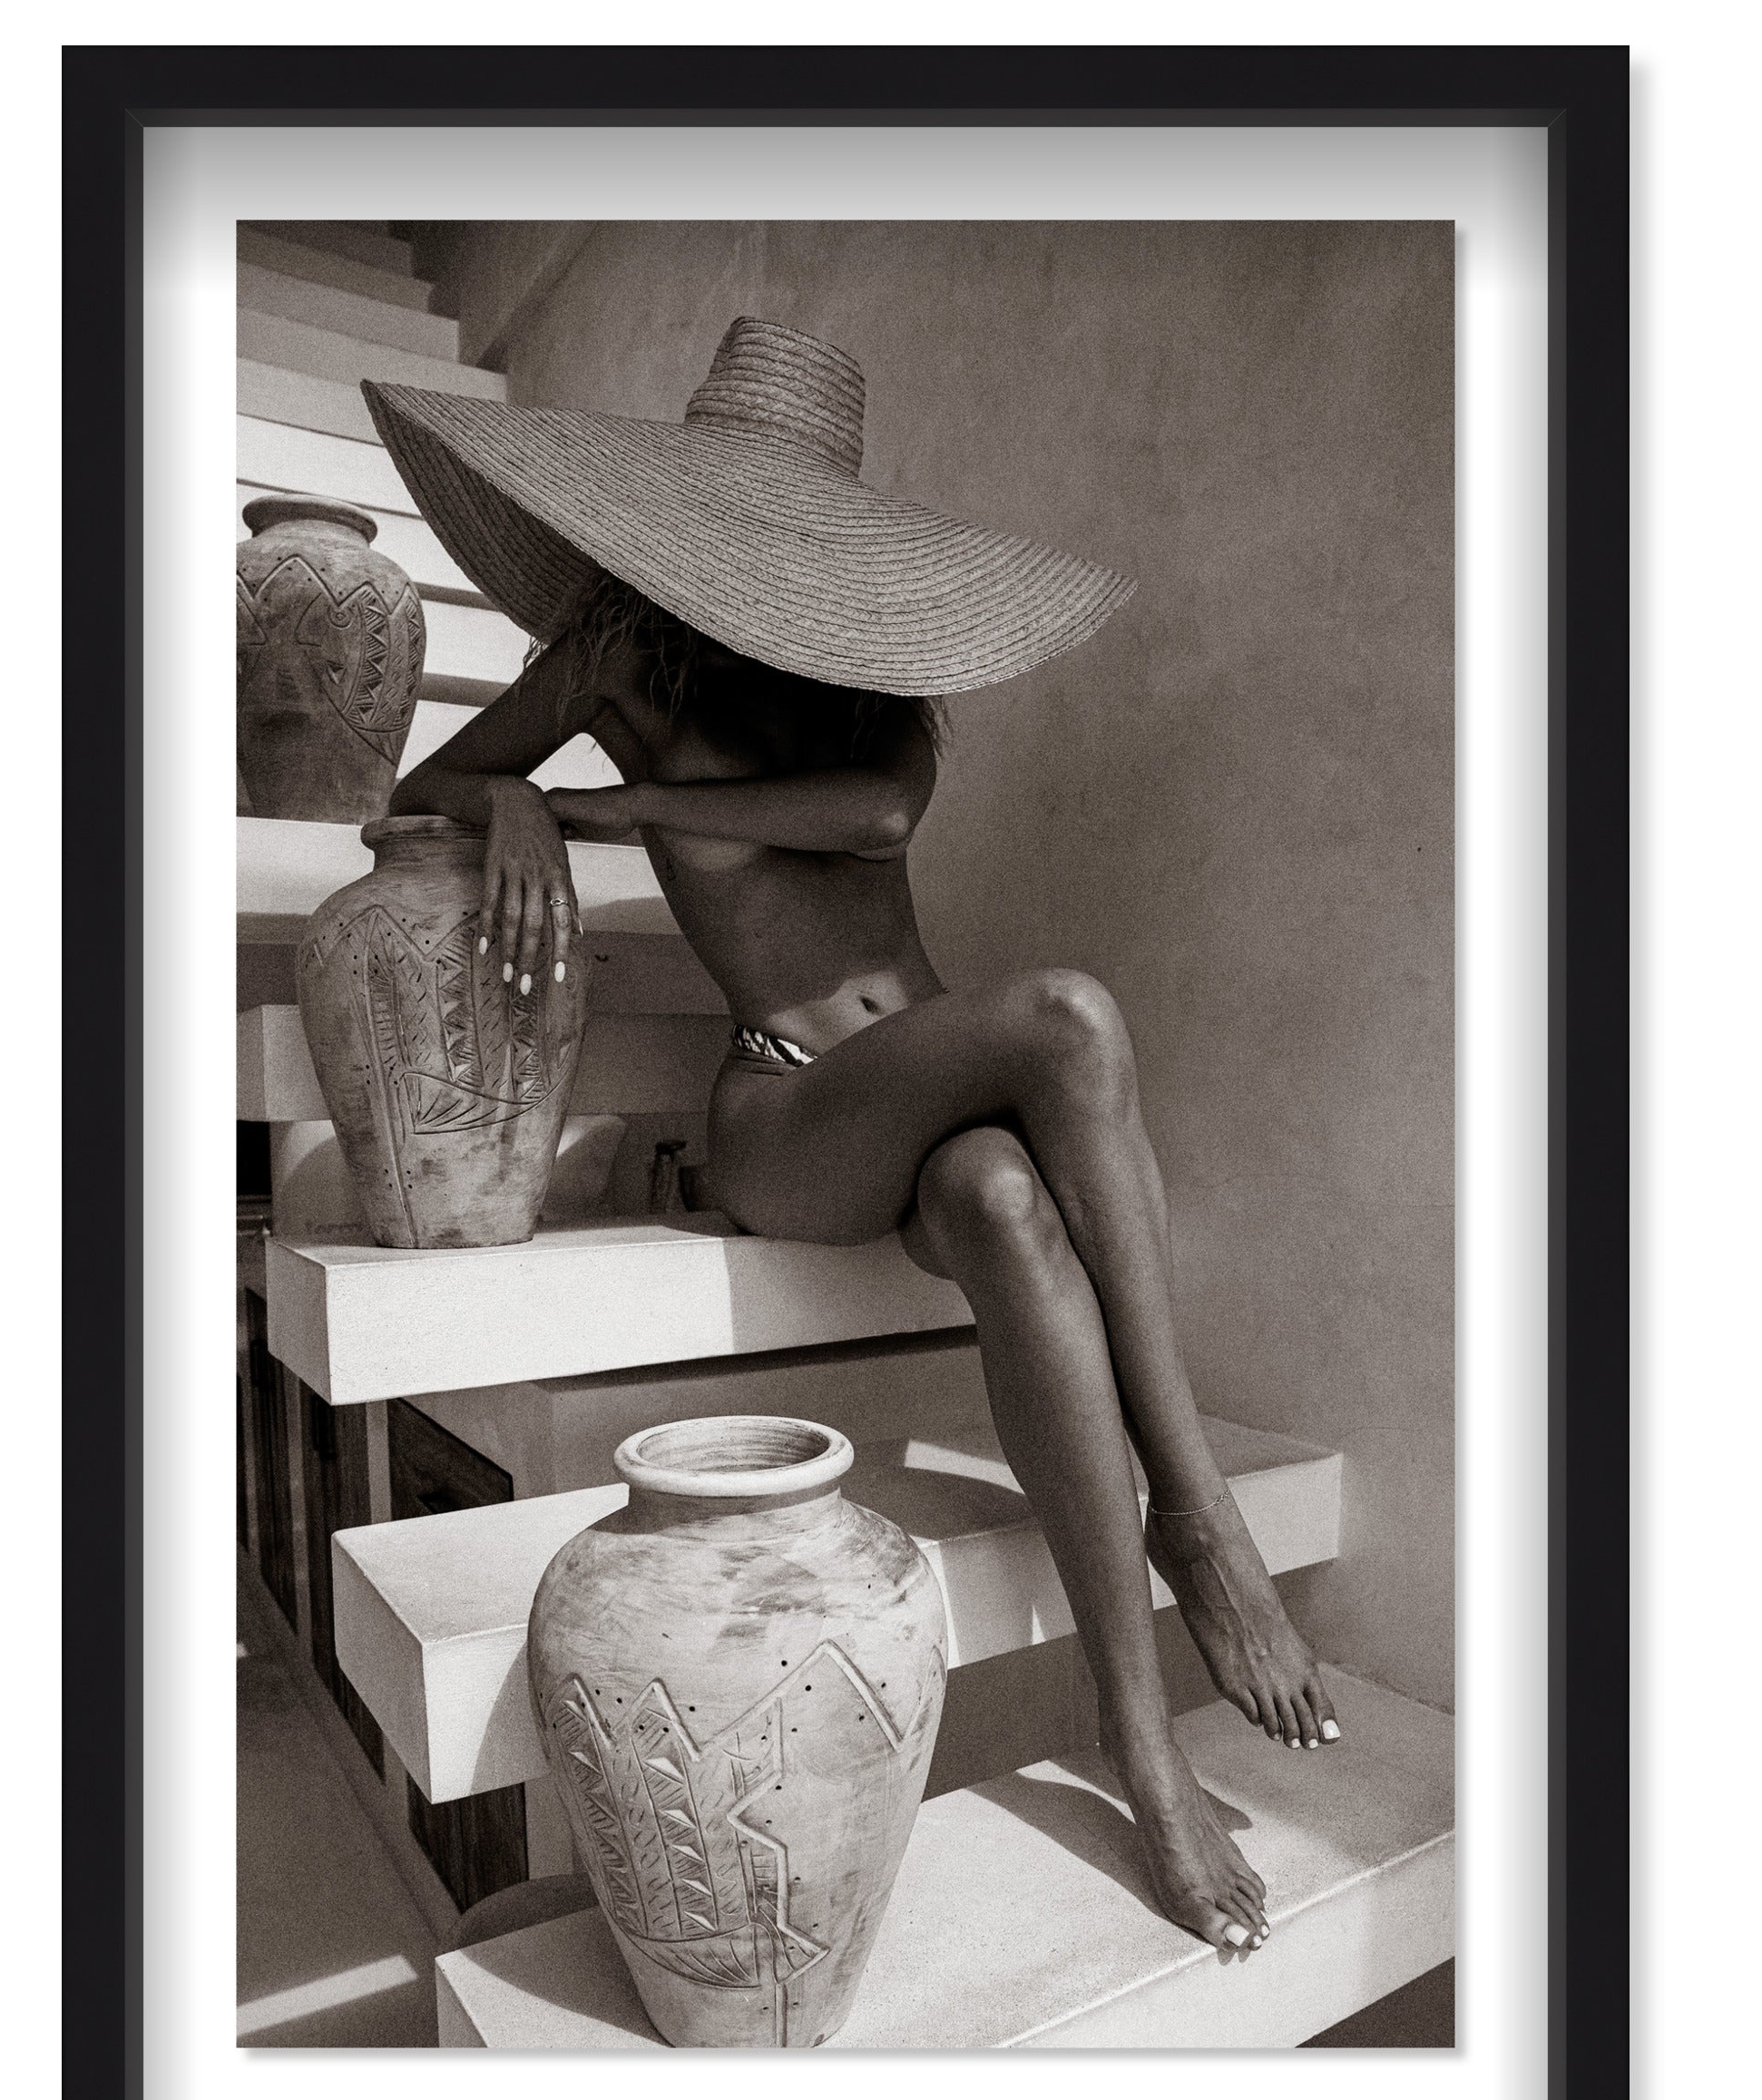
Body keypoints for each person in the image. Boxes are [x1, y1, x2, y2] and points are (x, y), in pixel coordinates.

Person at [366, 318, 1340, 1958]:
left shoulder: (875, 671)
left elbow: (877, 815)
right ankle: (1197, 1513)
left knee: (1004, 1199)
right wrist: (526, 796)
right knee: (1073, 1017)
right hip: (788, 1112)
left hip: (927, 1102)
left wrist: (619, 807)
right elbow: (420, 795)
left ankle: (1136, 1735)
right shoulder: (611, 663)